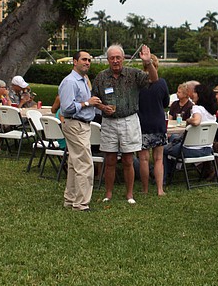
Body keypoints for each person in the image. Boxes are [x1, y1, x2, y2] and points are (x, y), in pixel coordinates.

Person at [92, 44, 158, 204]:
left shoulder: (133, 74)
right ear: (107, 60)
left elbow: (154, 79)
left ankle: (129, 194)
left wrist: (148, 62)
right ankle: (108, 193)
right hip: (109, 122)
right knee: (110, 160)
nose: (115, 61)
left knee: (128, 159)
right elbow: (94, 98)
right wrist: (102, 107)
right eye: (112, 58)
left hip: (129, 120)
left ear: (123, 58)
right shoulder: (101, 77)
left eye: (118, 57)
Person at [58, 51, 102, 211]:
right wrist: (86, 103)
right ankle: (81, 204)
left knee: (74, 164)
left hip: (82, 125)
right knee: (85, 164)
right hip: (75, 124)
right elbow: (67, 108)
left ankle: (70, 200)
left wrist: (96, 105)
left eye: (89, 60)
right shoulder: (70, 82)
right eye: (84, 59)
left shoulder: (83, 80)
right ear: (74, 62)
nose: (88, 62)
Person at [163, 83, 216, 185]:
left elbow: (196, 121)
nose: (193, 94)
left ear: (200, 95)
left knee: (163, 149)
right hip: (208, 149)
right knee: (174, 137)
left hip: (190, 151)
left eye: (195, 92)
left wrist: (189, 120)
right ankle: (171, 170)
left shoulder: (197, 108)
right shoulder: (211, 113)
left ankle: (164, 178)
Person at [137, 55, 169, 196]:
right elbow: (166, 103)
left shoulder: (139, 84)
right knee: (158, 158)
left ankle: (145, 189)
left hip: (142, 124)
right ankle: (159, 189)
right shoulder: (161, 83)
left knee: (143, 159)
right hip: (158, 123)